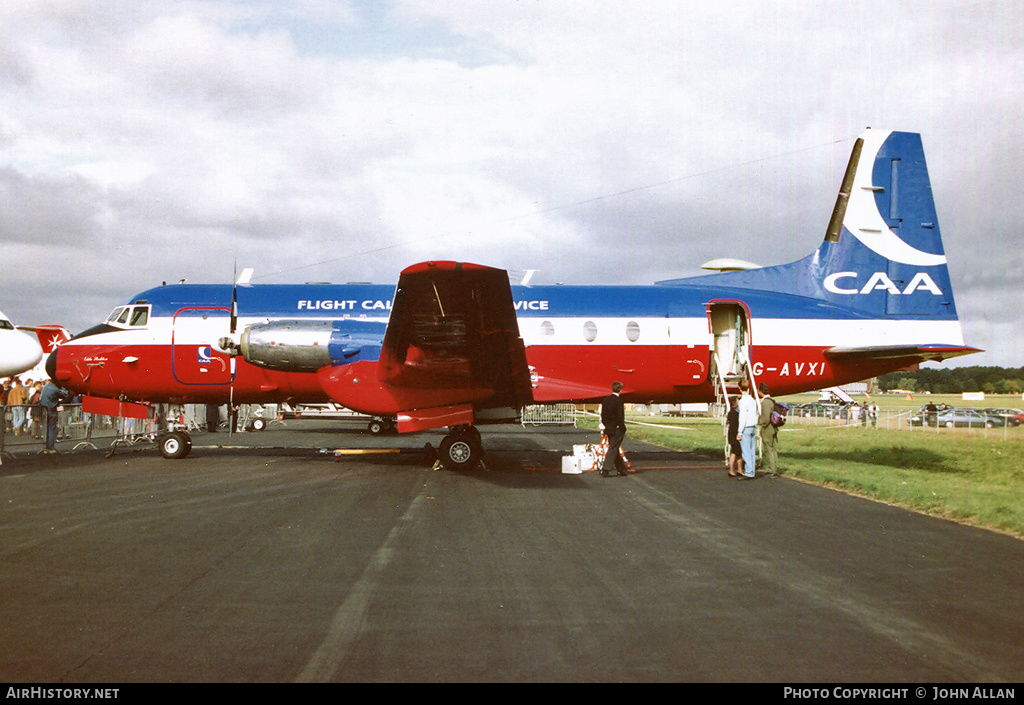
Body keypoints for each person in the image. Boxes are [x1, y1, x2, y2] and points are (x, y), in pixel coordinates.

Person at [600, 381, 628, 477]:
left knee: (614, 447)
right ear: (620, 390)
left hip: (609, 428)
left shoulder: (605, 400)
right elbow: (620, 417)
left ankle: (621, 469)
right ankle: (605, 469)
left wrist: (607, 425)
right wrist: (622, 427)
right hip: (617, 428)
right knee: (613, 448)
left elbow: (603, 416)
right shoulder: (619, 401)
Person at [737, 379, 758, 479]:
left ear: (739, 388)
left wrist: (739, 432)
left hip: (746, 427)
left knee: (746, 452)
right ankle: (752, 470)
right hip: (753, 426)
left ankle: (749, 472)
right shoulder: (752, 400)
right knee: (751, 450)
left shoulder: (742, 401)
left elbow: (743, 417)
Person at [40, 381, 69, 453]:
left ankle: (45, 447)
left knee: (45, 428)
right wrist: (65, 389)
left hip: (44, 409)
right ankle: (50, 447)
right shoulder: (55, 389)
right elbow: (64, 395)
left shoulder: (45, 387)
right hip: (52, 410)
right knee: (52, 428)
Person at [757, 382, 779, 478]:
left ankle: (772, 470)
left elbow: (765, 418)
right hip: (773, 428)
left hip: (768, 428)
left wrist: (761, 423)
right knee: (773, 448)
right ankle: (774, 468)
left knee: (768, 449)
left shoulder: (765, 402)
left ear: (761, 391)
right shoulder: (772, 401)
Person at [726, 396, 744, 478]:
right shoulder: (733, 413)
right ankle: (731, 470)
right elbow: (734, 426)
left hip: (734, 435)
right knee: (734, 452)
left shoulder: (734, 412)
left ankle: (740, 470)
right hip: (734, 435)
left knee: (738, 453)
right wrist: (738, 434)